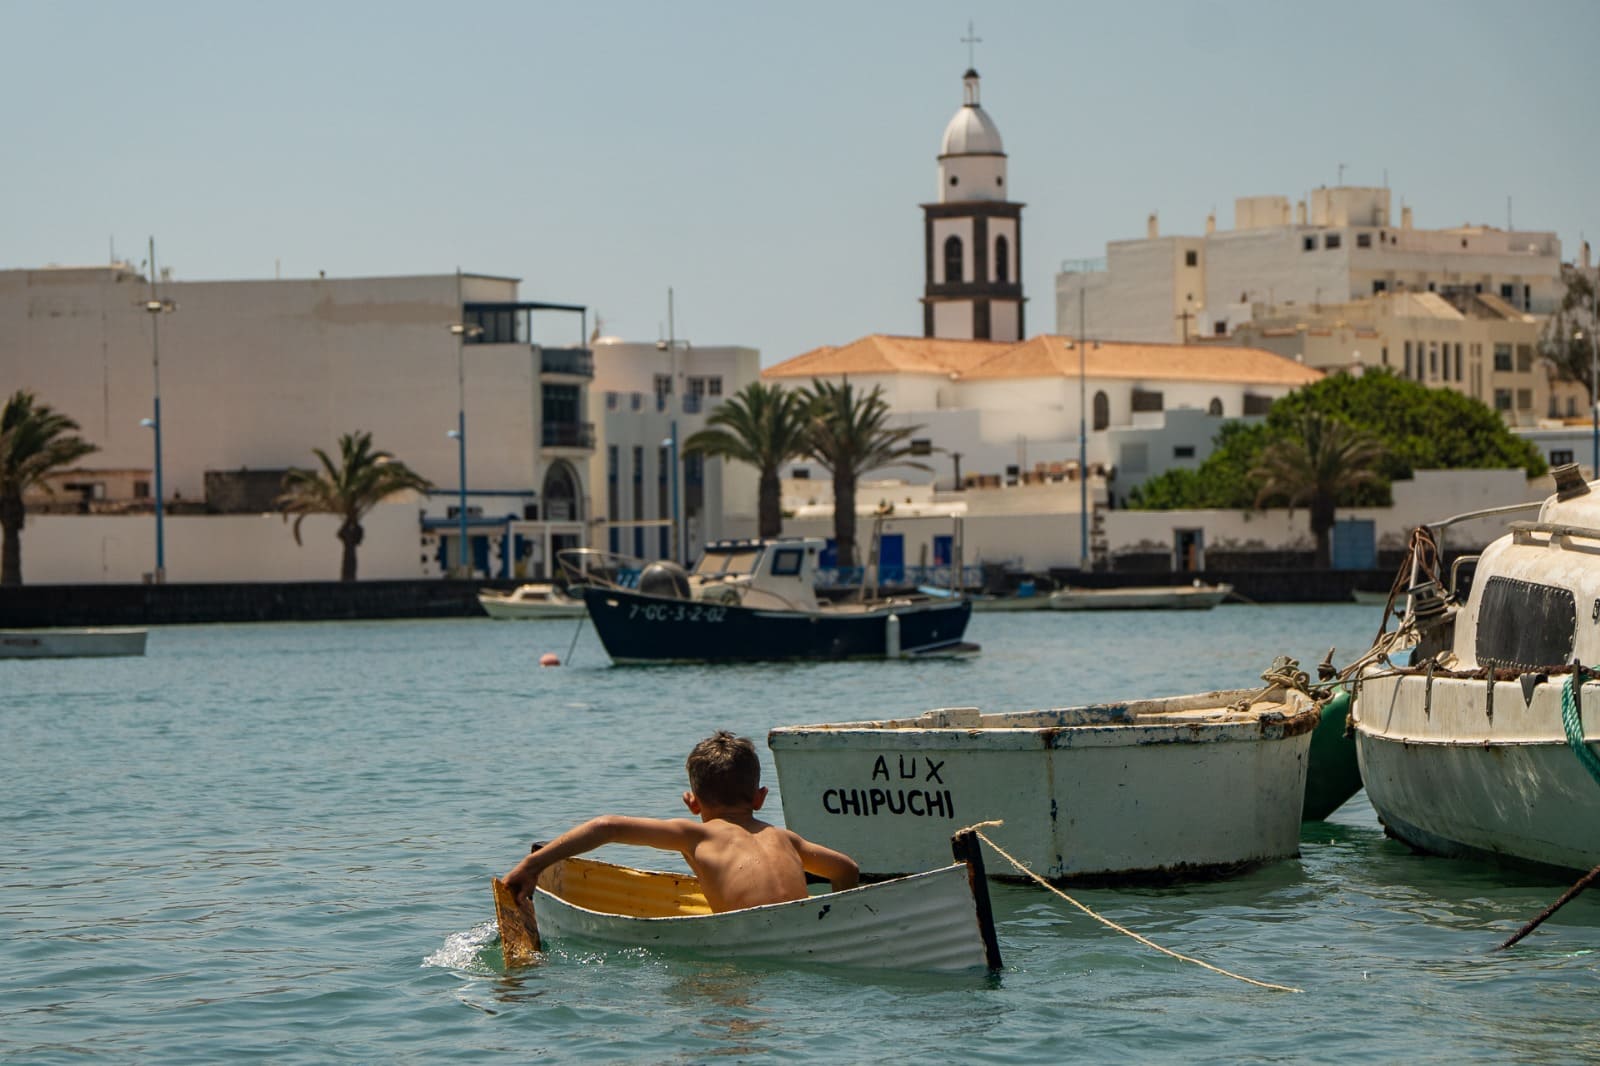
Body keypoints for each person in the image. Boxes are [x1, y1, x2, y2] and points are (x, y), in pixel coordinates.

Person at [503, 730, 859, 913]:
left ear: (692, 802)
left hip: (749, 943)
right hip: (805, 934)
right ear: (760, 798)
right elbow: (846, 869)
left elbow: (606, 826)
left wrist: (534, 864)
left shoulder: (696, 835)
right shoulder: (785, 838)